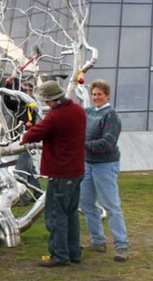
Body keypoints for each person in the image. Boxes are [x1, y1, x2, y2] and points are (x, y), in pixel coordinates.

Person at [22, 80, 86, 267]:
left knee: (56, 215)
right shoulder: (78, 110)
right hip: (76, 170)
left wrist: (29, 130)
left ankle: (59, 255)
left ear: (50, 99)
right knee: (71, 213)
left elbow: (31, 136)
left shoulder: (55, 116)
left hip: (61, 172)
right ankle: (73, 252)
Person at [80, 79, 129, 262]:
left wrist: (81, 145)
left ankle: (122, 245)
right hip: (87, 164)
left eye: (99, 94)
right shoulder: (88, 112)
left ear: (107, 95)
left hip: (105, 165)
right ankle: (97, 241)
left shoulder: (111, 115)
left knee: (111, 206)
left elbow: (107, 142)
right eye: (94, 94)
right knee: (86, 204)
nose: (96, 97)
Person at [3, 77, 42, 205]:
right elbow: (7, 101)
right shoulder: (19, 103)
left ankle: (23, 198)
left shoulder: (32, 103)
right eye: (25, 90)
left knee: (20, 171)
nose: (28, 93)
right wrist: (8, 85)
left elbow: (34, 117)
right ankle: (39, 195)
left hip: (27, 139)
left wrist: (31, 123)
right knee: (29, 170)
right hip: (19, 139)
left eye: (29, 90)